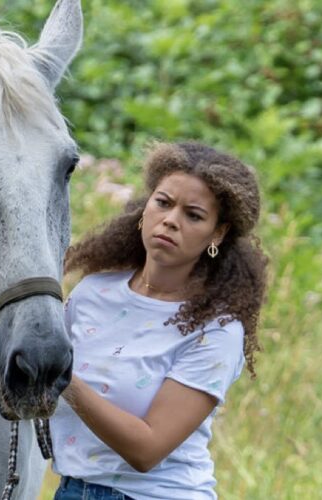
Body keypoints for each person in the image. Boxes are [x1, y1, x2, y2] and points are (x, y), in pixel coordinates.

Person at [49, 141, 268, 500]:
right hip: (71, 490)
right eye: (163, 203)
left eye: (193, 215)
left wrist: (61, 377)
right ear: (145, 206)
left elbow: (147, 449)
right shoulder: (92, 293)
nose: (171, 220)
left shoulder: (215, 330)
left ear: (218, 233)